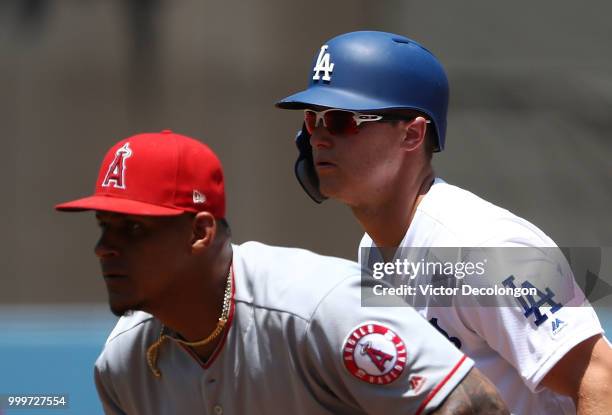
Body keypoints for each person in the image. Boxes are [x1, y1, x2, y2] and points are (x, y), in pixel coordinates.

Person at [276, 31, 612, 415]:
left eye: (341, 120)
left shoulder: (484, 246)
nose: (318, 137)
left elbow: (600, 379)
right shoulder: (377, 244)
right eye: (313, 119)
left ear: (412, 134)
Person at [55, 130, 508, 414]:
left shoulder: (320, 307)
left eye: (132, 228)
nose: (103, 249)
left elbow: (476, 406)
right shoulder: (123, 364)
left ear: (199, 232)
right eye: (104, 227)